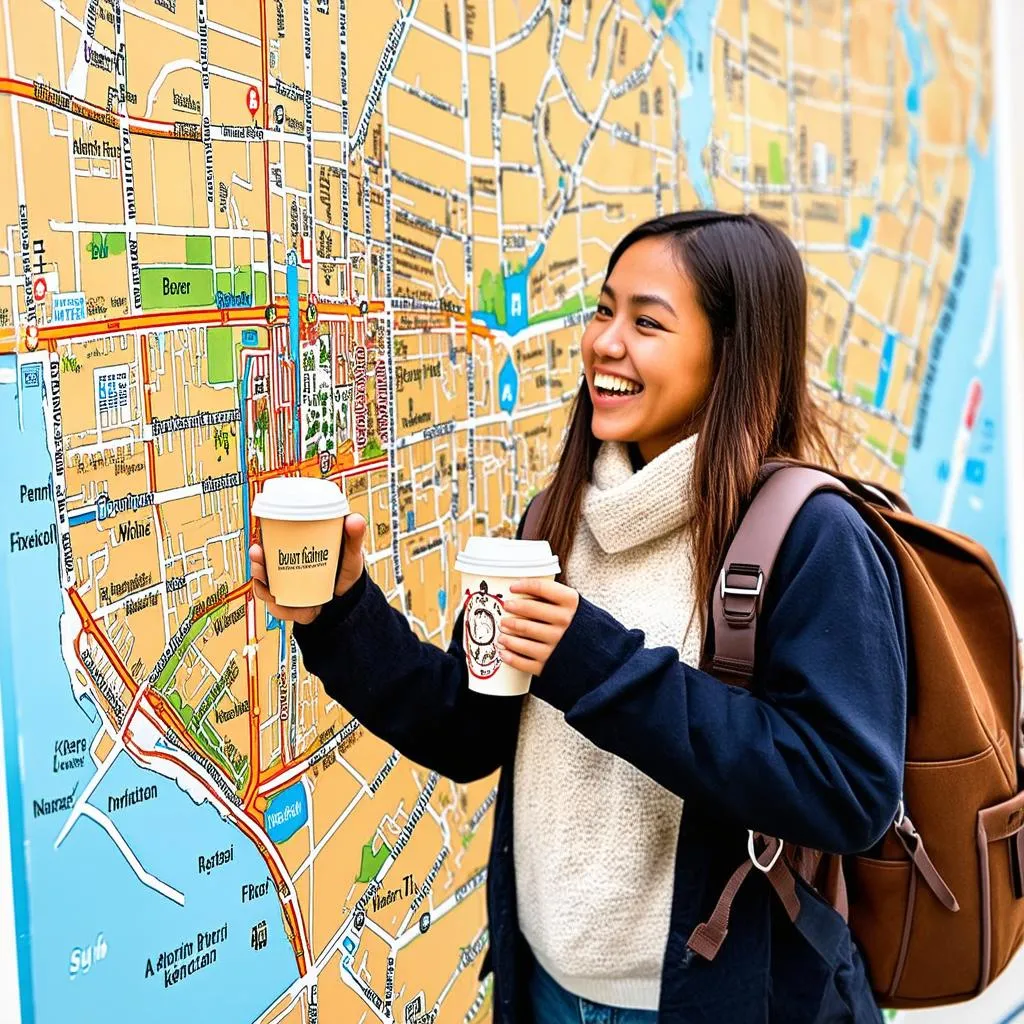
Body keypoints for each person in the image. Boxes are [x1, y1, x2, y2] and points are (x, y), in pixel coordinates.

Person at [250, 211, 907, 1024]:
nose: (604, 342)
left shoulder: (809, 536)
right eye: (603, 311)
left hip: (706, 1000)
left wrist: (592, 662)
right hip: (546, 994)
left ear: (730, 352)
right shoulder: (552, 521)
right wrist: (340, 613)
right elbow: (468, 731)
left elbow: (847, 790)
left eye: (647, 322)